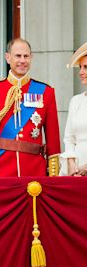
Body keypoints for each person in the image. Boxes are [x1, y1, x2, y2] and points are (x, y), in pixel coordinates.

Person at [0, 38, 61, 177]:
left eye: (26, 56)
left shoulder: (45, 91)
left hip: (34, 172)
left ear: (31, 58)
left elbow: (53, 137)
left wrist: (53, 173)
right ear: (7, 57)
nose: (22, 60)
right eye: (18, 56)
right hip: (0, 170)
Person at [60, 42, 87, 176]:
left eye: (86, 67)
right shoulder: (76, 101)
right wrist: (71, 165)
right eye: (80, 67)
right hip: (75, 172)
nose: (81, 72)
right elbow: (69, 138)